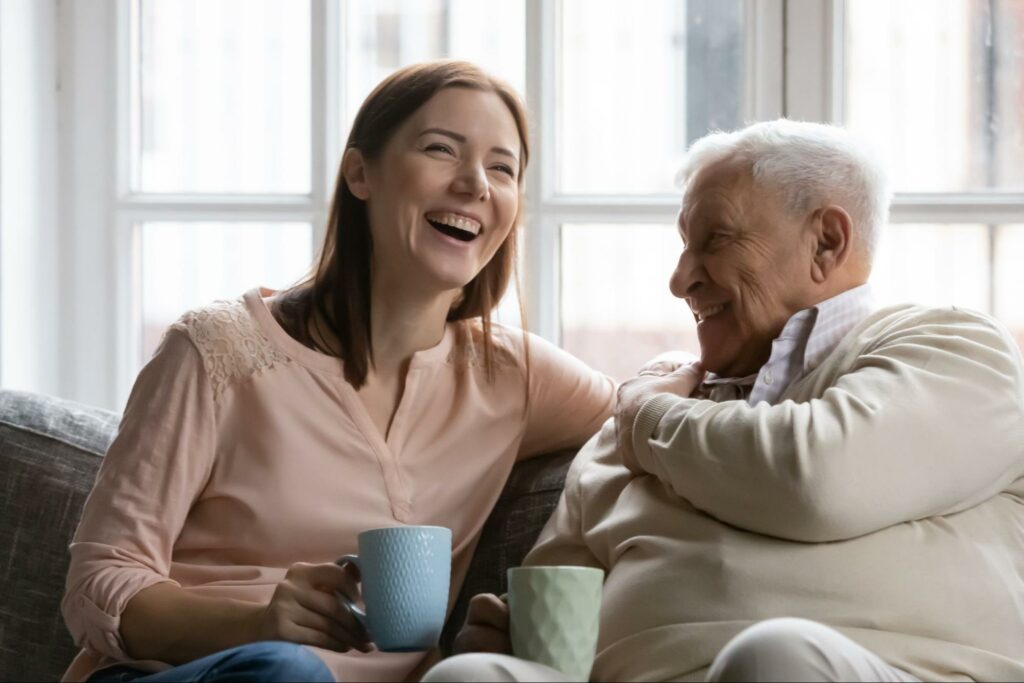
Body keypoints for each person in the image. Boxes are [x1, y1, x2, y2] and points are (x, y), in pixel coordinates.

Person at [61, 60, 615, 683]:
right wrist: (255, 627)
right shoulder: (216, 351)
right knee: (284, 672)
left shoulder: (513, 375)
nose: (475, 184)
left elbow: (651, 412)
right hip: (190, 672)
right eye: (442, 149)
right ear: (360, 173)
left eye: (502, 168)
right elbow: (99, 581)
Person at [427, 119, 1024, 682]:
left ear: (827, 241)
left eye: (714, 240)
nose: (680, 279)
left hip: (867, 670)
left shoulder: (954, 349)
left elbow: (816, 480)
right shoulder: (644, 415)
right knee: (470, 675)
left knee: (774, 657)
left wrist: (648, 418)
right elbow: (556, 595)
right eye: (685, 246)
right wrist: (509, 635)